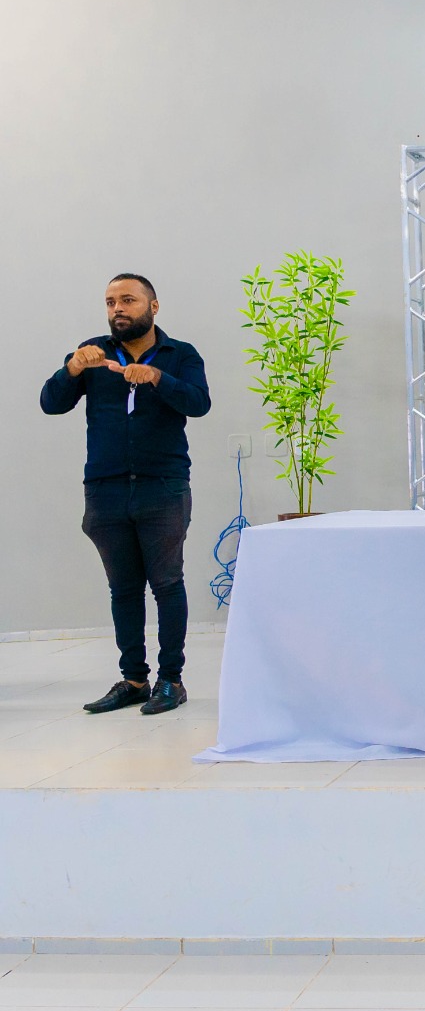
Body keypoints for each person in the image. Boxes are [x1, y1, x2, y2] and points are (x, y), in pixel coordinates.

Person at [40, 274, 211, 715]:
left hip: (163, 485)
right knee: (123, 588)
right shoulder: (92, 352)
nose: (117, 308)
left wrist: (157, 377)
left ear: (153, 307)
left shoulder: (180, 354)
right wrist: (71, 369)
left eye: (128, 300)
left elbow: (199, 403)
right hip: (106, 487)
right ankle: (134, 679)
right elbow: (51, 403)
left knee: (167, 584)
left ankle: (171, 680)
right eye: (110, 302)